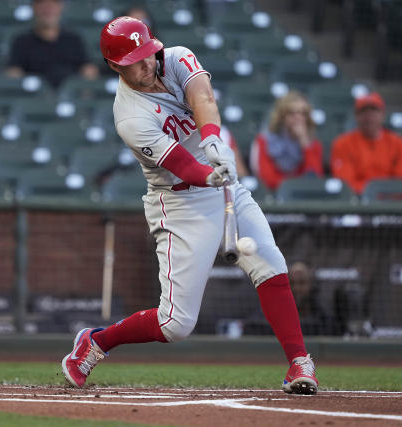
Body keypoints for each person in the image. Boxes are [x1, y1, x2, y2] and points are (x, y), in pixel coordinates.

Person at [61, 17, 318, 395]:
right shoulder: (130, 116)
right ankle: (96, 342)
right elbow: (181, 164)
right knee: (175, 325)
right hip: (180, 202)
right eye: (135, 60)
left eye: (147, 53)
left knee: (270, 263)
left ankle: (299, 361)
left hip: (224, 184)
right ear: (115, 66)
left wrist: (214, 142)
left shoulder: (177, 57)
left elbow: (203, 98)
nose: (146, 63)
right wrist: (210, 172)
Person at [330, 92, 402, 194]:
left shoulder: (397, 143)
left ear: (383, 115)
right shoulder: (343, 143)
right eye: (364, 111)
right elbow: (346, 184)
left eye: (374, 110)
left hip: (392, 201)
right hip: (357, 202)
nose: (369, 116)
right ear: (356, 116)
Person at [5, 0, 98, 88]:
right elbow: (14, 72)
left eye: (54, 3)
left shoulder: (74, 40)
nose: (48, 8)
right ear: (33, 7)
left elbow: (88, 69)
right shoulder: (21, 41)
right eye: (41, 3)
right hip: (34, 98)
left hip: (69, 97)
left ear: (61, 7)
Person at [250, 91, 324, 191]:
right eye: (292, 113)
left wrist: (305, 145)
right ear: (281, 117)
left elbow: (315, 179)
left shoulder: (313, 145)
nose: (298, 117)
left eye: (303, 113)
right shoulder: (264, 141)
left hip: (306, 197)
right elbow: (268, 180)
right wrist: (295, 186)